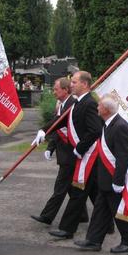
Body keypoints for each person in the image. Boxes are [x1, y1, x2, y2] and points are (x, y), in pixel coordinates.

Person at [74, 94, 128, 253]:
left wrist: (118, 181)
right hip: (105, 179)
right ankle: (94, 241)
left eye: (99, 106)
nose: (97, 108)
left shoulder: (120, 126)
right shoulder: (108, 124)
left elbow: (123, 157)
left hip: (115, 179)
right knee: (100, 212)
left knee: (120, 211)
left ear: (106, 110)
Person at [48, 71, 103, 240]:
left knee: (79, 191)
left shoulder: (89, 103)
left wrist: (80, 148)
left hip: (89, 155)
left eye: (74, 82)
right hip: (85, 155)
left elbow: (95, 130)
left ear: (84, 84)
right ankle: (107, 225)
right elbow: (62, 121)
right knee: (94, 192)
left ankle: (67, 229)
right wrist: (43, 131)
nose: (71, 84)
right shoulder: (79, 102)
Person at [30, 77, 78, 225]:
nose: (53, 92)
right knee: (74, 189)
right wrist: (50, 147)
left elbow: (59, 125)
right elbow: (58, 128)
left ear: (65, 90)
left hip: (72, 153)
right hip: (65, 152)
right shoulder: (63, 105)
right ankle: (84, 216)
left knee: (60, 187)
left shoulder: (72, 104)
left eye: (56, 89)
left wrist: (43, 130)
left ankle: (47, 216)